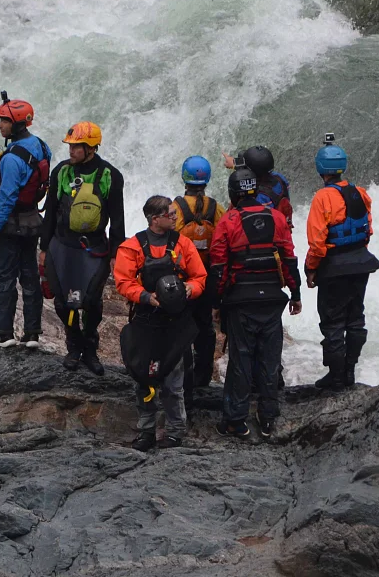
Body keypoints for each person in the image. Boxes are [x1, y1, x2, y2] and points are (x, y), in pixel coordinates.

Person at [208, 167, 302, 439]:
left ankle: (235, 421)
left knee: (241, 359)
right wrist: (295, 296)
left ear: (233, 193)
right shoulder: (277, 218)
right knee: (270, 359)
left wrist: (216, 302)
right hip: (273, 300)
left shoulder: (227, 222)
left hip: (240, 302)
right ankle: (268, 417)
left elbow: (218, 268)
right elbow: (289, 260)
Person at [114, 196, 207, 451]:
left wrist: (189, 289)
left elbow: (200, 276)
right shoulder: (132, 247)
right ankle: (146, 430)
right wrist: (146, 297)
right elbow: (123, 281)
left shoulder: (183, 244)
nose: (176, 218)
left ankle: (176, 431)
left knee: (174, 385)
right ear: (156, 219)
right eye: (171, 214)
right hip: (145, 324)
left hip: (175, 325)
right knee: (144, 380)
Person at [39, 121, 125, 375]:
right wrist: (44, 249)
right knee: (64, 303)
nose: (71, 151)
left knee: (91, 302)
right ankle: (73, 344)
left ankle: (90, 347)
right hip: (62, 247)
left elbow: (117, 219)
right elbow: (51, 213)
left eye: (77, 147)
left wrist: (115, 254)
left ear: (91, 148)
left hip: (94, 248)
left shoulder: (110, 176)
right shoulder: (61, 172)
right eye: (71, 146)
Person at [304, 134, 379, 388]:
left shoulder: (322, 198)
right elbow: (367, 230)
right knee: (355, 317)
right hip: (361, 263)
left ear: (320, 168)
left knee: (333, 320)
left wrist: (311, 269)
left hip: (334, 266)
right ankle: (349, 371)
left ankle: (336, 376)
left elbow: (317, 242)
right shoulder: (360, 193)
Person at [0, 92, 52, 348]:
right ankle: (32, 334)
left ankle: (5, 335)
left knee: (6, 280)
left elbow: (6, 200)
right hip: (33, 222)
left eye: (4, 121)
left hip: (11, 226)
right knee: (30, 277)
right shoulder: (42, 146)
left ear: (17, 124)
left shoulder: (11, 159)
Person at [171, 156, 226, 406]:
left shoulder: (177, 207)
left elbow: (168, 239)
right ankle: (204, 375)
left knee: (183, 325)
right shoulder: (216, 207)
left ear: (185, 178)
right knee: (205, 327)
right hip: (208, 276)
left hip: (183, 277)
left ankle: (185, 377)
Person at [223, 146, 293, 228]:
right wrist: (236, 166)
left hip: (265, 232)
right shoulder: (280, 178)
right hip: (282, 229)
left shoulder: (260, 197)